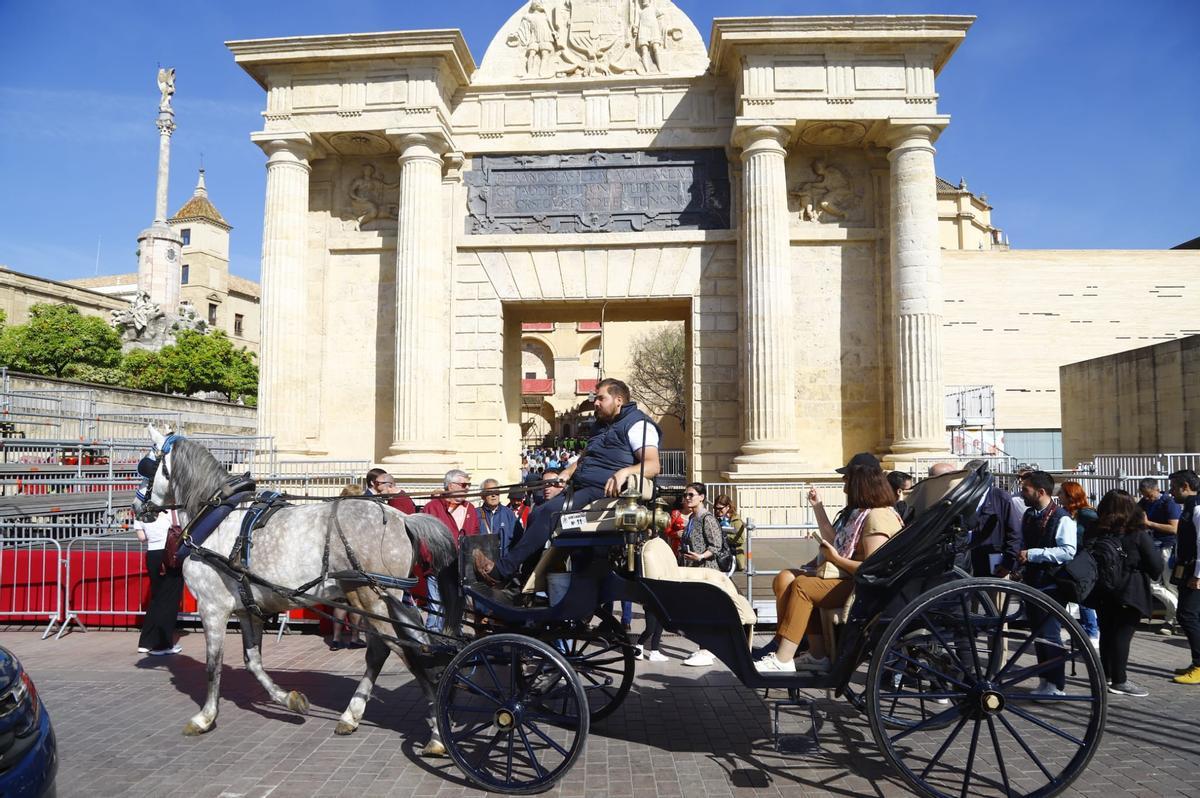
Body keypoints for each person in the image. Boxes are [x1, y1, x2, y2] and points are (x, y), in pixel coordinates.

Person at [474, 378, 661, 585]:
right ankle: (526, 578)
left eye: (600, 398)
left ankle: (501, 571)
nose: (595, 403)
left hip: (602, 491)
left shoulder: (638, 425)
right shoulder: (600, 426)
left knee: (549, 512)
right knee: (538, 511)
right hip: (581, 486)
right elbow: (584, 458)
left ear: (618, 400)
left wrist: (625, 472)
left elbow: (652, 465)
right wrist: (567, 472)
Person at [756, 453, 902, 674]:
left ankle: (784, 656)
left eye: (847, 481)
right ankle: (814, 653)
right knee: (794, 578)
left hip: (863, 589)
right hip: (849, 579)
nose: (844, 487)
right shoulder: (862, 514)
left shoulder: (877, 517)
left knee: (804, 587)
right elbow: (839, 542)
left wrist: (834, 558)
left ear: (859, 483)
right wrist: (818, 507)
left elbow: (872, 569)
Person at [1084, 490, 1161, 697]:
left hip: (1101, 589)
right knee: (1122, 635)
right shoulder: (1137, 534)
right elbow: (1156, 568)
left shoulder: (1094, 530)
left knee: (1107, 631)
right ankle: (1120, 681)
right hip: (1130, 590)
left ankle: (1105, 675)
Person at [1016, 470, 1077, 697]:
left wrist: (1033, 554)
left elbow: (1067, 551)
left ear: (1040, 492)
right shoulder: (1030, 514)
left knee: (1050, 635)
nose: (1022, 493)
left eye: (1026, 489)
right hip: (1032, 582)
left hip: (1051, 584)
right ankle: (1045, 680)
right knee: (1038, 635)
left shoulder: (1062, 518)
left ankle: (1055, 684)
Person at [420, 470, 480, 632]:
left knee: (457, 609)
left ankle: (455, 638)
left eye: (469, 485)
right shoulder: (432, 507)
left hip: (461, 570)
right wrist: (431, 560)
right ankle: (432, 642)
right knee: (436, 608)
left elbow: (474, 535)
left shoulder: (471, 508)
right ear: (450, 486)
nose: (467, 488)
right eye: (463, 485)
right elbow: (423, 539)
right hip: (438, 569)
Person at [678, 482, 724, 667]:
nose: (687, 498)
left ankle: (707, 651)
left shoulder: (707, 518)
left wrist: (701, 556)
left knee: (705, 612)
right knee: (699, 611)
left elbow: (716, 545)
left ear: (702, 497)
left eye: (691, 495)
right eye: (686, 495)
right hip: (694, 571)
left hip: (707, 571)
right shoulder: (692, 518)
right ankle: (704, 648)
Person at [135, 510, 184, 656]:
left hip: (152, 555)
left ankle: (145, 642)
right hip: (169, 555)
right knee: (170, 600)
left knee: (156, 598)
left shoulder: (140, 512)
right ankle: (162, 644)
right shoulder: (172, 512)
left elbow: (142, 537)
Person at [1059, 481, 1101, 649]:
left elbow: (1096, 534)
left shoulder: (1086, 514)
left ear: (1071, 496)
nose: (1059, 496)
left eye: (1062, 493)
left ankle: (1092, 633)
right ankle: (1086, 632)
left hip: (1083, 561)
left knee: (1084, 598)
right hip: (1075, 560)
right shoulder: (1071, 514)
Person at [1139, 477, 1182, 635]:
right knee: (1153, 584)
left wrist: (1149, 524)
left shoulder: (1168, 503)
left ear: (1157, 489)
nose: (1148, 498)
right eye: (1144, 495)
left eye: (1150, 495)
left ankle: (1170, 621)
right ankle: (1178, 610)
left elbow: (1174, 528)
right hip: (1152, 547)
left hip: (1167, 547)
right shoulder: (1144, 503)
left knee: (1171, 585)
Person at [1169, 470, 1200, 684]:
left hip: (1195, 572)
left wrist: (1198, 575)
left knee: (1187, 615)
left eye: (1174, 487)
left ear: (1185, 486)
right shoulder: (1190, 507)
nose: (1171, 492)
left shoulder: (1197, 508)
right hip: (1188, 568)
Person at [329, 484, 367, 650]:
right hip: (353, 561)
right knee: (355, 603)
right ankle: (355, 637)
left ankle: (336, 639)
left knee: (340, 601)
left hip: (335, 561)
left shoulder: (334, 511)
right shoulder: (357, 514)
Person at [478, 478, 522, 557]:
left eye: (497, 492)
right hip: (483, 564)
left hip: (504, 564)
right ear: (482, 496)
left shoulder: (509, 514)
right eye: (489, 492)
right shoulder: (476, 514)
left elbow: (519, 540)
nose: (494, 495)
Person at [713, 494, 746, 572]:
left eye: (720, 508)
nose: (717, 511)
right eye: (716, 508)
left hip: (733, 555)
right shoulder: (717, 518)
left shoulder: (735, 520)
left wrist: (724, 535)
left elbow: (741, 540)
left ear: (728, 507)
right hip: (720, 554)